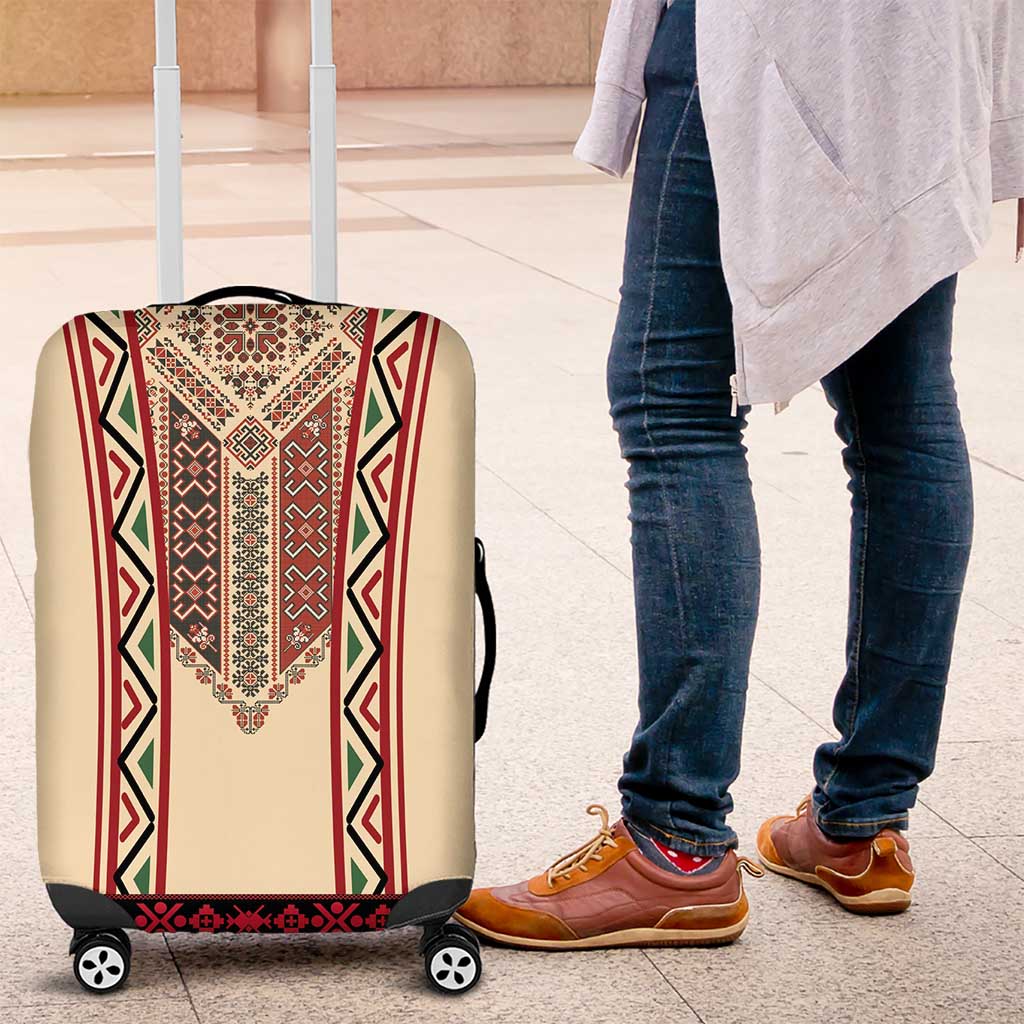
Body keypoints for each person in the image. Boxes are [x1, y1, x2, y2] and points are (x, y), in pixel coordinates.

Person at [454, 0, 1023, 948]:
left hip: (780, 26)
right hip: (937, 40)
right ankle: (865, 822)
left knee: (670, 397)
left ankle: (675, 846)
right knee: (903, 413)